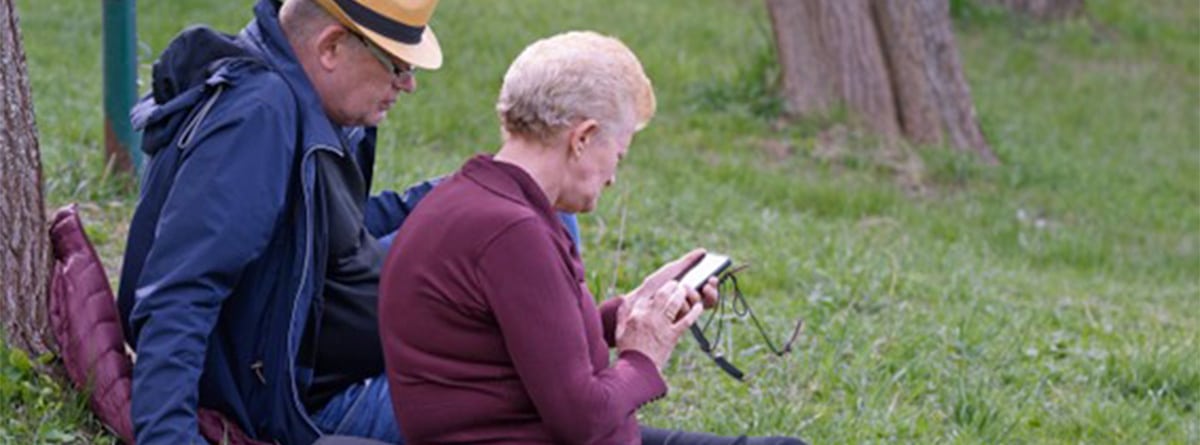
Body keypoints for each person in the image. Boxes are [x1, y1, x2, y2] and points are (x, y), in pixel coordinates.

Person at [379, 31, 805, 445]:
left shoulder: (472, 198)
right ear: (582, 138)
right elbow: (583, 419)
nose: (614, 178)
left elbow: (530, 344)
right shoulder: (511, 232)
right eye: (617, 155)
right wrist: (643, 355)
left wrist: (629, 313)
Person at [116, 0, 443, 442]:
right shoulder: (257, 118)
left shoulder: (301, 95)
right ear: (331, 47)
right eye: (397, 64)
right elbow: (181, 291)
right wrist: (168, 437)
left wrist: (463, 192)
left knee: (523, 201)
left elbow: (331, 227)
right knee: (517, 399)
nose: (408, 84)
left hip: (337, 348)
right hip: (308, 407)